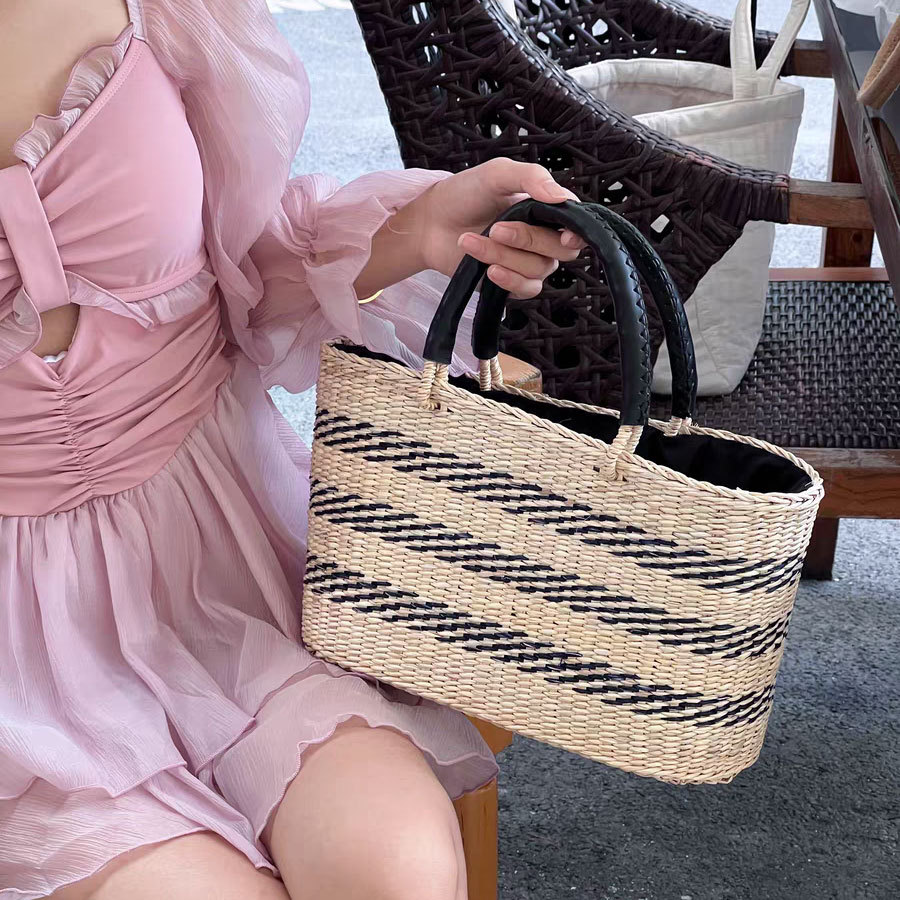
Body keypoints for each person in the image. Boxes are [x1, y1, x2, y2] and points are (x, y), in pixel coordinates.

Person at [0, 1, 587, 897]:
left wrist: (423, 229)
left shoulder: (165, 10)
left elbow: (237, 257)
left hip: (219, 568)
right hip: (17, 664)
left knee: (394, 872)